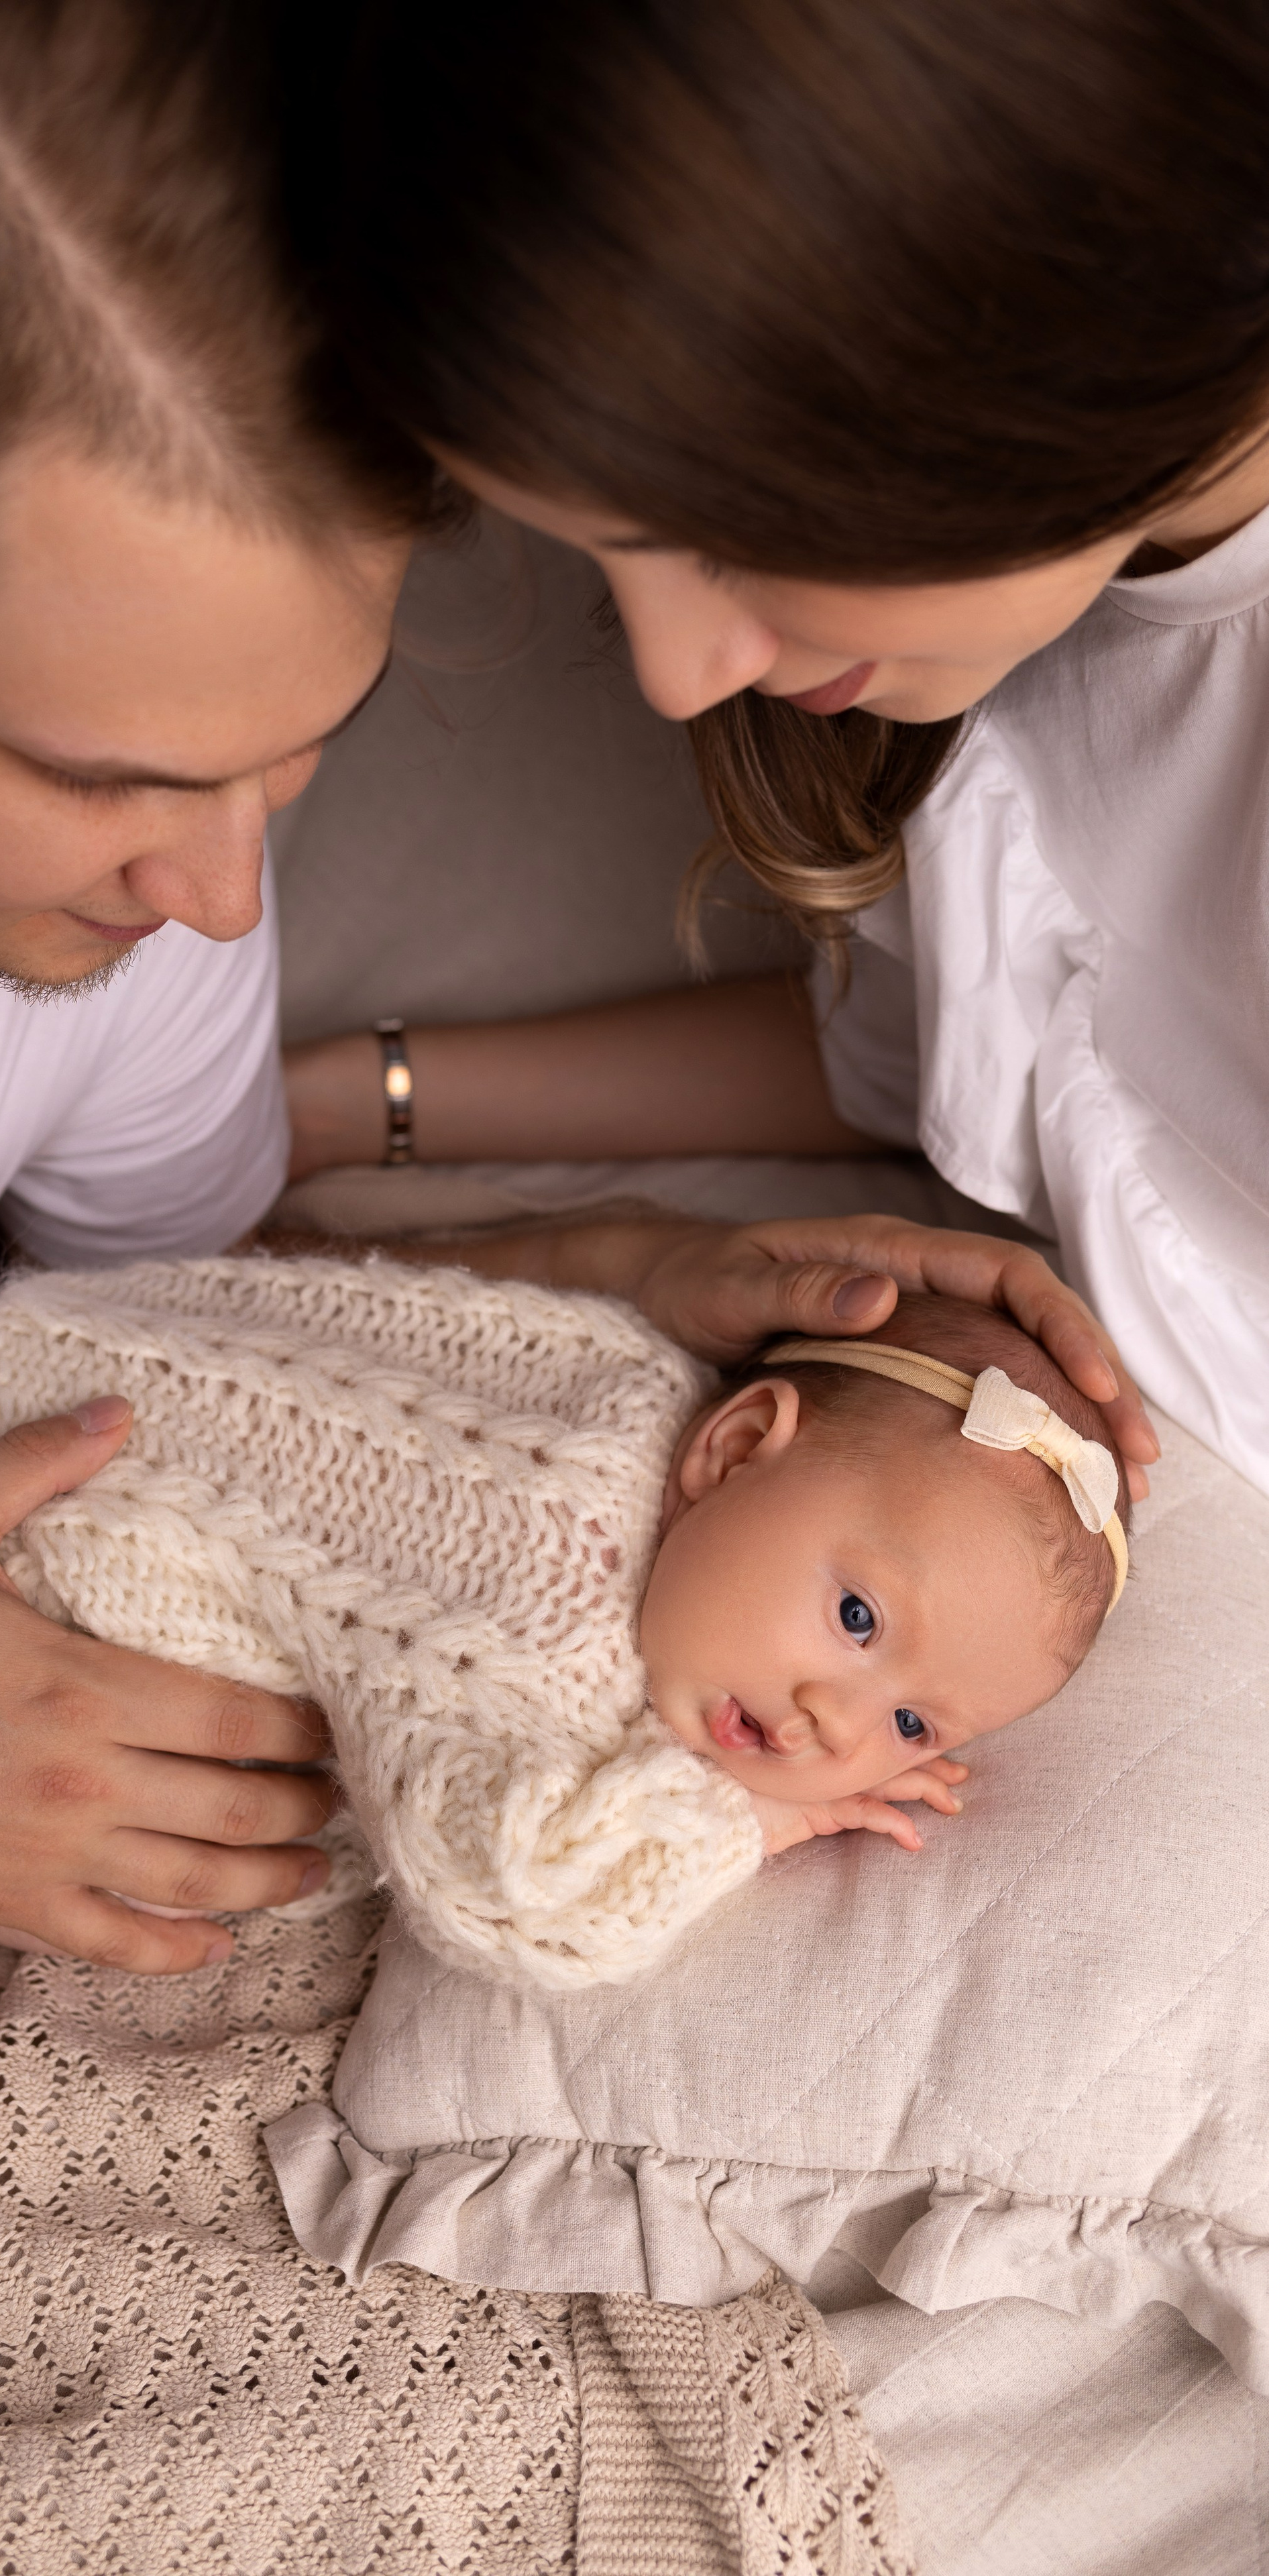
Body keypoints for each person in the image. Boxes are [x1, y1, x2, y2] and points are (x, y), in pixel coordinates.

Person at [0, 0, 1140, 1972]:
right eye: (107, 778)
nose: (219, 901)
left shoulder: (117, 870)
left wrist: (624, 1272)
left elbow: (195, 1309)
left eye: (292, 754)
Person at [288, 0, 1269, 1502]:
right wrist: (338, 1103)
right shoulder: (1010, 628)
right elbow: (931, 1057)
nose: (676, 679)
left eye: (727, 538)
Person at [0, 1257, 1121, 1987]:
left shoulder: (627, 1389)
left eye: (908, 1722)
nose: (833, 1715)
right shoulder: (548, 1614)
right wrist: (744, 1823)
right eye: (857, 1614)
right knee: (135, 1835)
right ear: (740, 1438)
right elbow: (516, 1896)